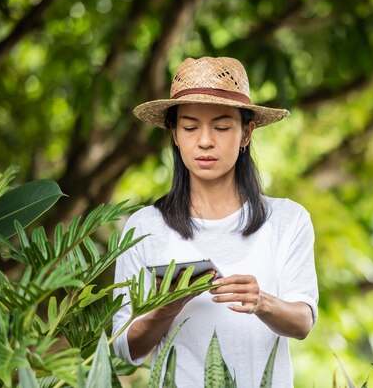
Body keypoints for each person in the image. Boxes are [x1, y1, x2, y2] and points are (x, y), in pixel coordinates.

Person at [112, 56, 319, 387]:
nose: (205, 141)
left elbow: (303, 321)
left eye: (221, 127)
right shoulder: (145, 227)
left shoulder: (287, 220)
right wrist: (164, 309)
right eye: (190, 127)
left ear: (246, 134)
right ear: (175, 134)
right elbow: (124, 348)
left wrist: (262, 302)